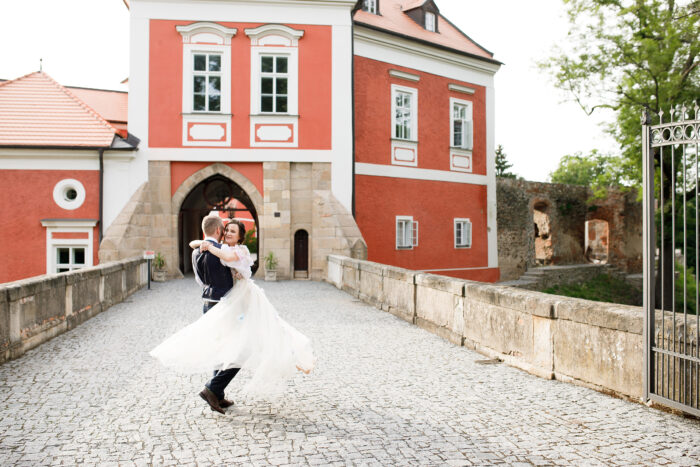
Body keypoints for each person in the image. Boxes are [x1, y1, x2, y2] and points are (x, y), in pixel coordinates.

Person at [150, 215, 315, 414]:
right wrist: (209, 246)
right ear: (219, 231)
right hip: (229, 304)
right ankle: (213, 389)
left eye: (232, 231)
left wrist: (206, 245)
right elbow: (222, 258)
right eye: (226, 230)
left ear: (239, 237)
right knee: (243, 348)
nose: (228, 233)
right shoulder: (220, 250)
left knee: (224, 347)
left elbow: (204, 273)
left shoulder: (208, 251)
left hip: (211, 302)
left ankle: (217, 393)